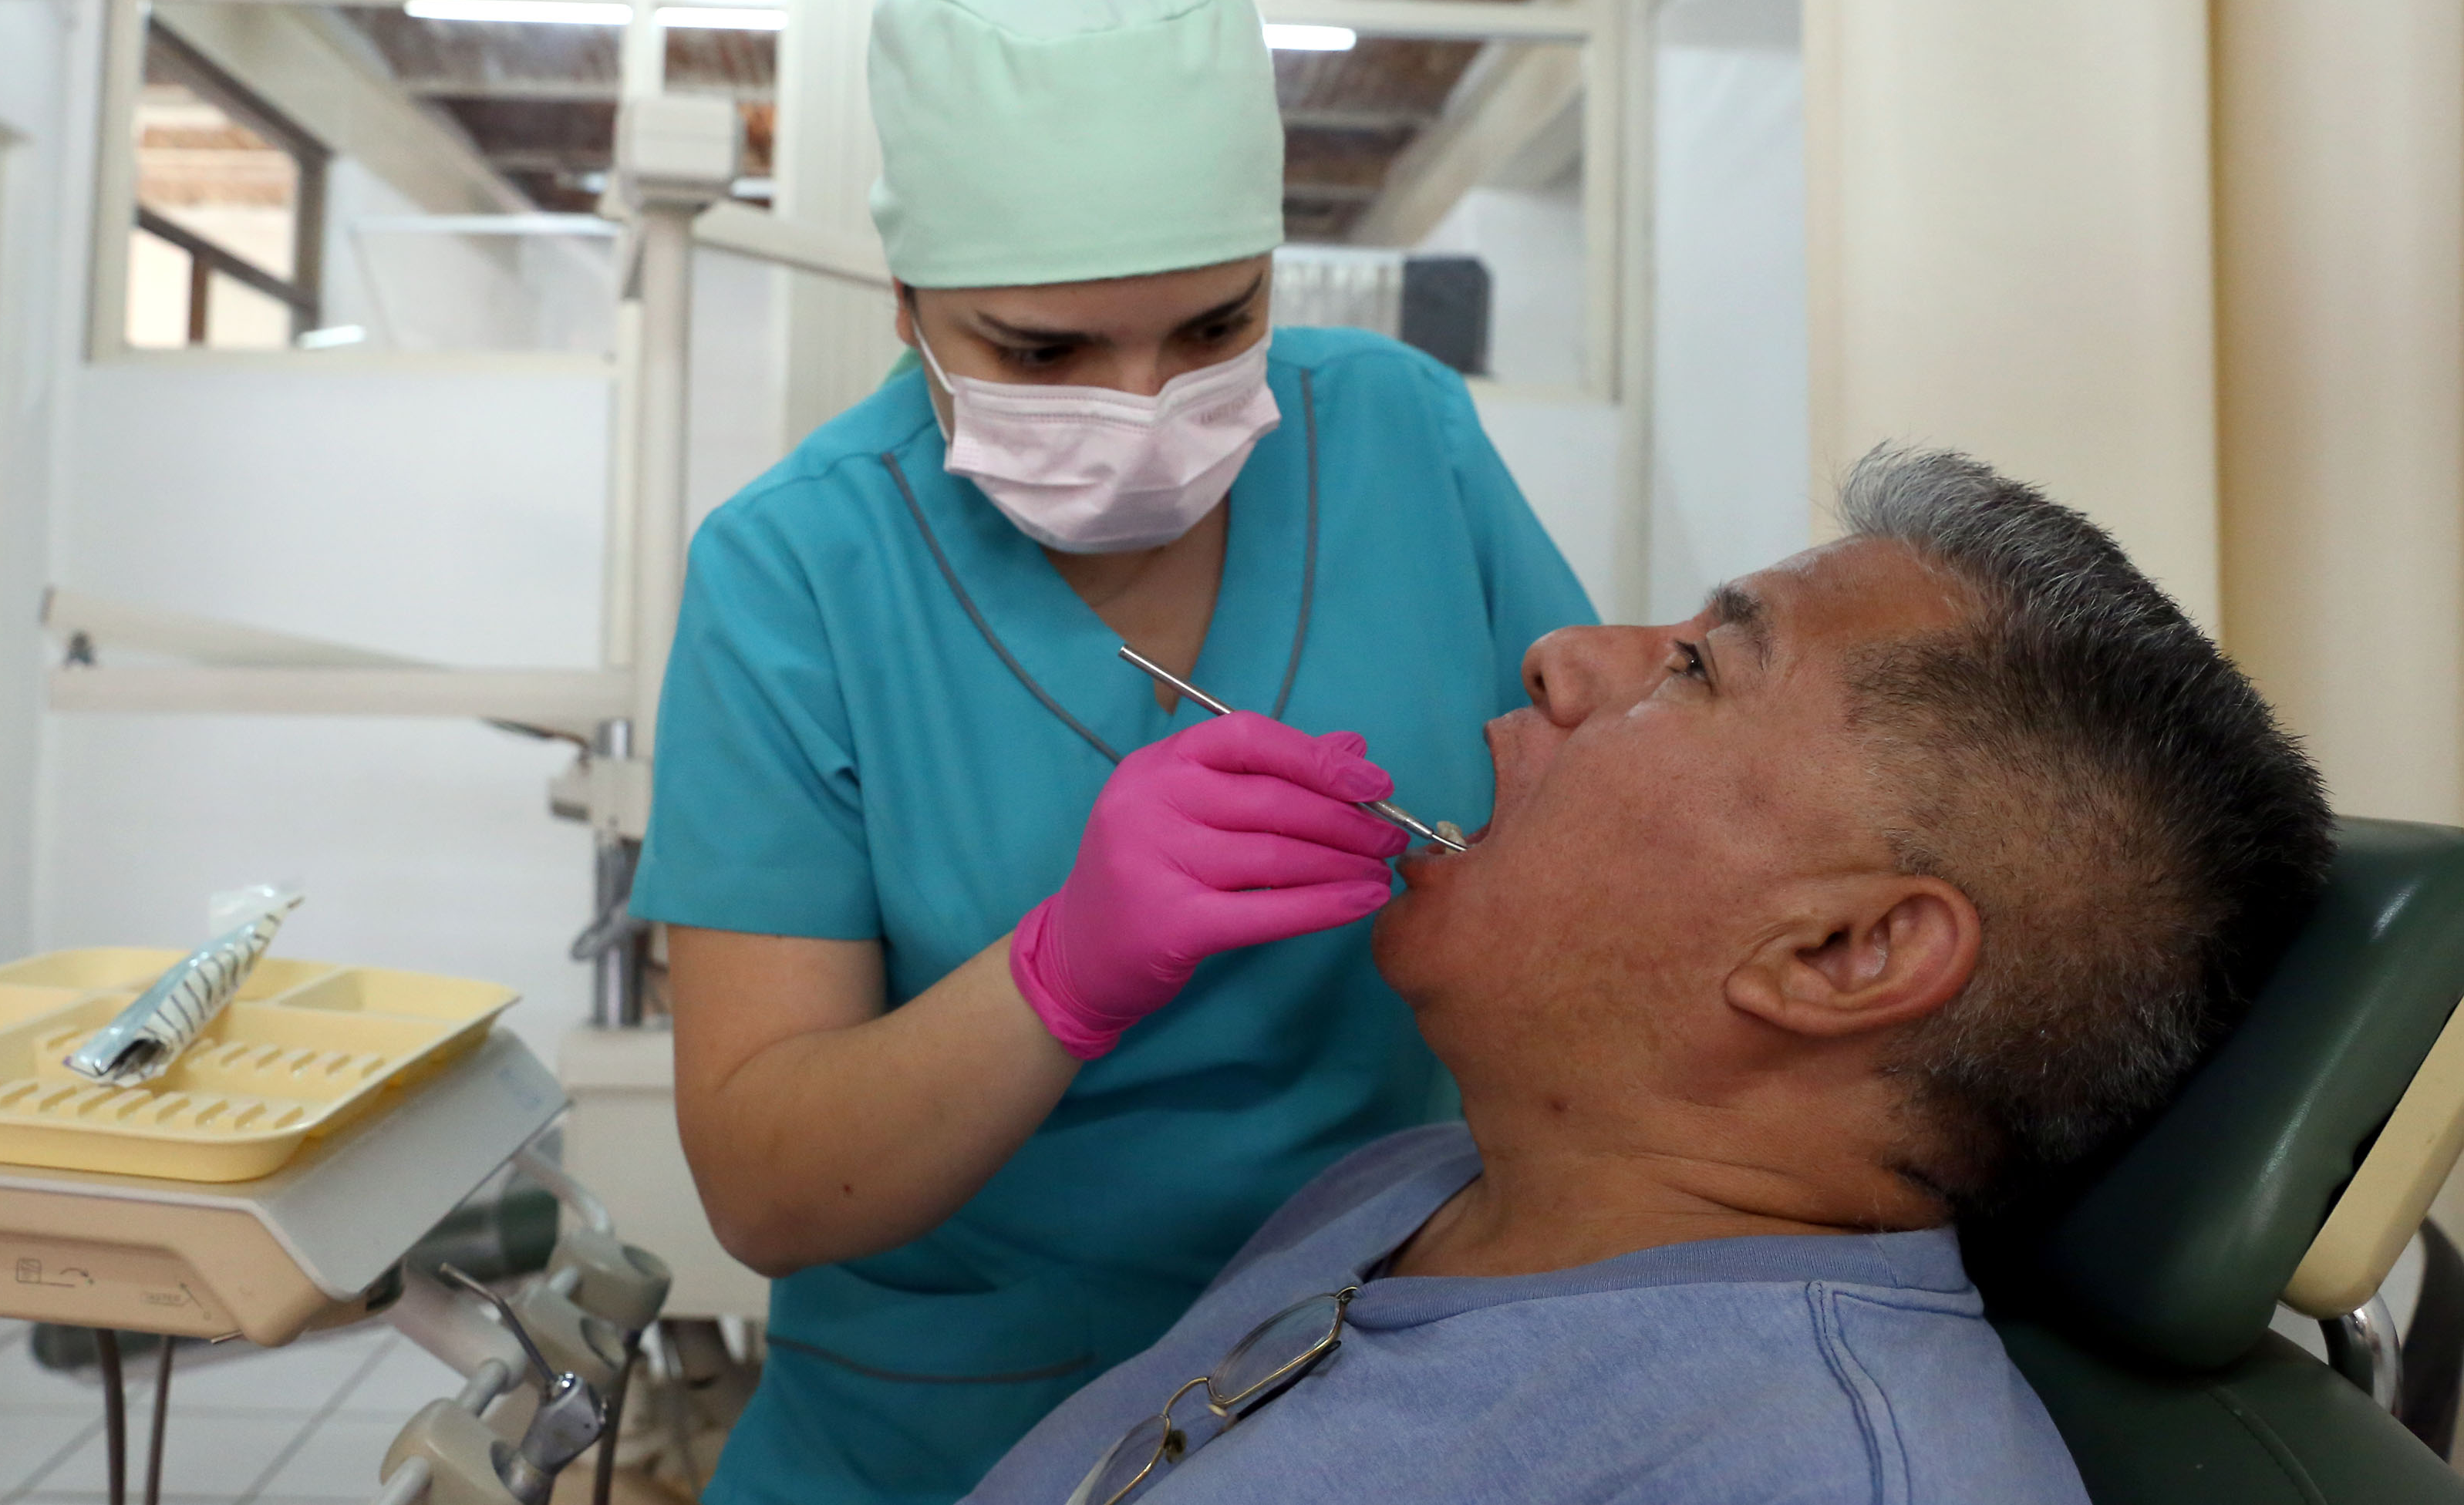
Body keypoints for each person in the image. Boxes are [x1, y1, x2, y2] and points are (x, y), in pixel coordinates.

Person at [630, 0, 1597, 1503]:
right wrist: (1056, 973)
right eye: (1044, 349)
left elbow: (1609, 831)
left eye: (1214, 326)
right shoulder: (793, 569)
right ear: (905, 302)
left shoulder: (1401, 436)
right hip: (941, 1433)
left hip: (1366, 1380)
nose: (1145, 412)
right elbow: (764, 1185)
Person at [968, 446, 2332, 1504]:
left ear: (1843, 954)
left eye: (1693, 664)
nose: (1561, 656)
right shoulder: (1413, 1187)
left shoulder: (1815, 1473)